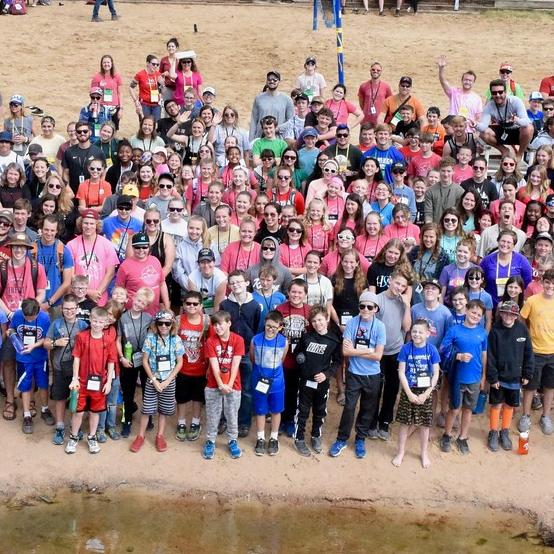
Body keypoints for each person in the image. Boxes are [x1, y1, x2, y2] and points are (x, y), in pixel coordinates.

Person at [328, 291, 386, 458]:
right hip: (354, 373)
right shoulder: (353, 323)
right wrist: (368, 350)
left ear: (376, 308)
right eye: (362, 306)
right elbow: (345, 352)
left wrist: (356, 351)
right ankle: (341, 439)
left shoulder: (380, 327)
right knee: (349, 407)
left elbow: (378, 356)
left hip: (372, 375)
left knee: (368, 408)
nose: (366, 309)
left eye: (370, 306)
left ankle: (360, 438)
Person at [129, 310, 184, 453]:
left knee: (163, 410)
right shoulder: (150, 338)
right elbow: (145, 360)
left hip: (169, 381)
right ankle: (140, 436)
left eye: (167, 323)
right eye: (161, 323)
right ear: (156, 324)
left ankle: (160, 435)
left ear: (172, 324)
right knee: (147, 409)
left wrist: (168, 381)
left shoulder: (176, 339)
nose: (164, 326)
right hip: (153, 380)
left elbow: (179, 362)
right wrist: (153, 380)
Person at [65, 306, 117, 455]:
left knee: (95, 412)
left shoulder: (108, 340)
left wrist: (108, 383)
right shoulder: (82, 337)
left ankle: (92, 436)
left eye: (101, 322)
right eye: (94, 321)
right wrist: (75, 378)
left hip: (100, 383)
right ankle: (74, 437)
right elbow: (76, 358)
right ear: (90, 319)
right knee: (78, 412)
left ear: (106, 323)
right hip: (82, 382)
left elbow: (111, 362)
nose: (97, 324)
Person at [439, 300, 487, 455]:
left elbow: (484, 354)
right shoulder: (454, 330)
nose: (475, 316)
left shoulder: (482, 333)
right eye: (473, 312)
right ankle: (446, 434)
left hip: (474, 378)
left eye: (479, 315)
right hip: (457, 377)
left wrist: (483, 376)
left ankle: (463, 437)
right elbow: (443, 349)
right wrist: (458, 355)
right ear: (466, 311)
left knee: (468, 410)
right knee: (454, 409)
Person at [293, 305, 341, 456]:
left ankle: (316, 436)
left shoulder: (333, 340)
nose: (317, 324)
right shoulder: (307, 337)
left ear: (327, 319)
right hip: (305, 381)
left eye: (320, 320)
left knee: (320, 411)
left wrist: (326, 374)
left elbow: (337, 361)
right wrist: (299, 357)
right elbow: (297, 352)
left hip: (322, 383)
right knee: (302, 410)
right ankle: (299, 437)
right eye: (313, 321)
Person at [392, 319, 440, 468]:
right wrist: (408, 393)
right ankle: (400, 452)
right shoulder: (406, 349)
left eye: (420, 332)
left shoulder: (432, 350)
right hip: (409, 389)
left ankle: (424, 453)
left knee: (424, 425)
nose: (416, 334)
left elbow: (436, 373)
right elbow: (401, 372)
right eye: (414, 331)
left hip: (425, 390)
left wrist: (427, 393)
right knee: (405, 423)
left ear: (427, 334)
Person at [486, 300, 534, 452]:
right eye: (505, 313)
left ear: (516, 315)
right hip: (499, 377)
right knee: (496, 404)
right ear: (500, 313)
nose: (508, 316)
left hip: (515, 376)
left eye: (512, 314)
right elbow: (491, 356)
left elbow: (528, 353)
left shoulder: (522, 330)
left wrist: (527, 372)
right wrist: (492, 377)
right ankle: (493, 431)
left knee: (509, 405)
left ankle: (504, 431)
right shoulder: (495, 331)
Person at [220, 270, 262, 437]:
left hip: (245, 352)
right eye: (232, 283)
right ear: (229, 286)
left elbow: (256, 327)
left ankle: (243, 422)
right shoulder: (225, 305)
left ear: (247, 283)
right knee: (224, 386)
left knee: (245, 388)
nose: (236, 285)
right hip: (227, 352)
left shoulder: (254, 305)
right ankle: (223, 419)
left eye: (239, 282)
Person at [45, 293, 90, 445]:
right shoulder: (56, 324)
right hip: (59, 368)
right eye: (66, 309)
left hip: (78, 370)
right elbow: (46, 343)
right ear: (62, 309)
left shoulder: (83, 326)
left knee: (77, 399)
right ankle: (59, 427)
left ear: (77, 309)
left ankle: (74, 426)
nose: (69, 311)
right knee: (60, 398)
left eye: (72, 308)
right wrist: (55, 343)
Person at [202, 310, 245, 460]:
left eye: (220, 324)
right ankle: (210, 440)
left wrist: (229, 385)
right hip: (214, 384)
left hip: (233, 384)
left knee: (232, 413)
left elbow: (235, 365)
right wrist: (221, 384)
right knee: (213, 414)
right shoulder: (210, 341)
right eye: (214, 325)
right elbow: (214, 365)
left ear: (229, 323)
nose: (217, 328)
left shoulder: (238, 340)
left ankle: (233, 440)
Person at [8, 298, 52, 435]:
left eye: (32, 318)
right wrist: (12, 335)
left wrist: (34, 345)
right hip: (23, 358)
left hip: (40, 358)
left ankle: (45, 409)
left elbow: (47, 338)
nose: (29, 320)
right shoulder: (17, 315)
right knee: (25, 386)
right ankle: (27, 415)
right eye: (27, 318)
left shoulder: (45, 317)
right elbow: (11, 329)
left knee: (43, 385)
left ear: (38, 312)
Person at [518, 269, 554, 436]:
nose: (550, 286)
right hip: (535, 351)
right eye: (548, 282)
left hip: (552, 352)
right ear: (542, 282)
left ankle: (546, 416)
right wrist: (527, 336)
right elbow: (521, 318)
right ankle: (525, 415)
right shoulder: (532, 300)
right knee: (530, 386)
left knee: (549, 386)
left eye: (553, 283)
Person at [250, 310, 288, 456]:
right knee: (260, 409)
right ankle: (260, 437)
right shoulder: (256, 340)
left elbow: (281, 360)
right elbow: (253, 358)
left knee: (276, 410)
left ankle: (273, 437)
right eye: (268, 326)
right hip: (259, 380)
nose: (270, 329)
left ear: (280, 327)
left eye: (274, 327)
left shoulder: (284, 341)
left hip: (277, 382)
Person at [174, 291, 208, 443]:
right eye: (188, 303)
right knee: (181, 398)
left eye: (195, 304)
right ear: (183, 305)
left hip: (200, 368)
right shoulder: (178, 320)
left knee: (197, 398)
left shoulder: (206, 322)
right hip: (182, 367)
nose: (192, 306)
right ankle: (181, 423)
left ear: (201, 306)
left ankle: (195, 422)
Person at [67, 210, 118, 306]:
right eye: (85, 223)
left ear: (97, 225)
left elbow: (110, 273)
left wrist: (97, 293)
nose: (88, 226)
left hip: (99, 298)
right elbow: (70, 274)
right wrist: (87, 292)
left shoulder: (106, 244)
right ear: (81, 224)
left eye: (92, 223)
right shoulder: (71, 245)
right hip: (77, 298)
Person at [476, 79, 534, 162]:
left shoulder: (515, 101)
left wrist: (516, 120)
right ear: (491, 94)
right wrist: (475, 125)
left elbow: (527, 121)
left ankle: (519, 154)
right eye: (494, 93)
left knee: (529, 128)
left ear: (505, 92)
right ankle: (504, 150)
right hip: (503, 131)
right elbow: (483, 126)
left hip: (518, 132)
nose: (498, 95)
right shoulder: (490, 105)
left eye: (500, 92)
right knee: (483, 133)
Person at [480, 229, 533, 307]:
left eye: (509, 242)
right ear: (498, 241)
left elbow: (527, 284)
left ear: (514, 245)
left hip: (513, 306)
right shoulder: (487, 260)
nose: (505, 244)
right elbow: (480, 281)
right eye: (503, 241)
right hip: (489, 305)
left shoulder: (522, 261)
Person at [34, 215, 74, 310]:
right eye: (46, 229)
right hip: (34, 303)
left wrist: (49, 303)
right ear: (41, 229)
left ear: (57, 231)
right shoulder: (32, 249)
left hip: (56, 303)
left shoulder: (63, 250)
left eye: (52, 230)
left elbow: (67, 282)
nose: (49, 233)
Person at [249, 70, 294, 141]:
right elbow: (254, 121)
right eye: (269, 79)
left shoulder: (287, 99)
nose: (272, 81)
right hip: (260, 138)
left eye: (274, 80)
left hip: (278, 140)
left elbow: (291, 121)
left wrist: (277, 129)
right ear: (266, 81)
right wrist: (251, 141)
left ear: (279, 81)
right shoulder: (258, 98)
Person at [436, 56, 482, 126]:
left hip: (469, 129)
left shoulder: (477, 98)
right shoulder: (454, 92)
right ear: (462, 81)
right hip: (453, 128)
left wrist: (475, 127)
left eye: (470, 80)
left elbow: (478, 117)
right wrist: (441, 69)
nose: (467, 82)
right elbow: (443, 82)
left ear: (473, 82)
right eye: (466, 80)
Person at [61, 121, 105, 194]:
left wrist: (99, 187)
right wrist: (67, 187)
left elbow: (103, 173)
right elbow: (65, 173)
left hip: (92, 192)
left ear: (90, 132)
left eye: (85, 131)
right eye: (79, 132)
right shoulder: (69, 151)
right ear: (76, 134)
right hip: (73, 191)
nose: (82, 133)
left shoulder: (98, 152)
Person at [424, 158, 464, 223]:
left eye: (448, 171)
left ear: (453, 171)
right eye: (443, 171)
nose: (445, 174)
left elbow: (460, 214)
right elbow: (428, 214)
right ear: (439, 171)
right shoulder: (430, 191)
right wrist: (430, 229)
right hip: (435, 227)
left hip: (452, 227)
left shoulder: (460, 191)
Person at [129, 55, 164, 122]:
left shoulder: (158, 75)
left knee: (156, 125)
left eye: (157, 64)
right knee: (144, 124)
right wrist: (135, 100)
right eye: (153, 64)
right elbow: (131, 87)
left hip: (156, 105)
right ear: (147, 63)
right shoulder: (140, 74)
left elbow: (162, 89)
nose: (155, 66)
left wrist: (162, 86)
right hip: (144, 104)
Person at [358, 62, 393, 126]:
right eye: (373, 70)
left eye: (378, 70)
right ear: (370, 71)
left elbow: (390, 103)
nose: (375, 71)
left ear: (381, 72)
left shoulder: (386, 87)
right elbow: (361, 103)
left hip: (380, 121)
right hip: (366, 120)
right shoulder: (363, 86)